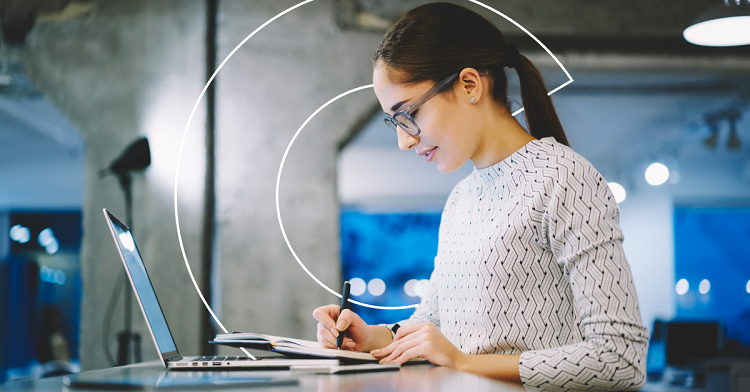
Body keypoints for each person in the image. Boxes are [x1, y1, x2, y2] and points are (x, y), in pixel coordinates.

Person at [313, 2, 649, 390]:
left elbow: (621, 359)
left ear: (470, 85)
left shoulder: (564, 179)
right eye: (395, 122)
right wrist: (373, 337)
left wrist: (464, 362)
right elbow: (435, 323)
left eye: (409, 114)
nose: (404, 140)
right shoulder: (462, 198)